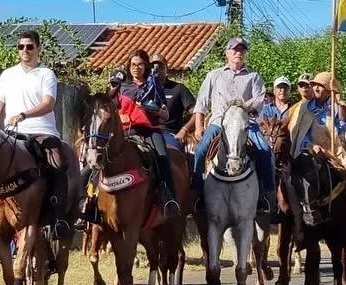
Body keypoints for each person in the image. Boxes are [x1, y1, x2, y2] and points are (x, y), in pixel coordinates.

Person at [0, 30, 73, 239]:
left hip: (41, 131)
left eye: (30, 46)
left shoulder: (46, 74)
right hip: (12, 134)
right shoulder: (8, 75)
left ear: (38, 49)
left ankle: (58, 218)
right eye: (21, 47)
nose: (25, 50)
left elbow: (48, 104)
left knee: (57, 166)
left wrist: (23, 114)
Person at [192, 35, 277, 217]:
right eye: (235, 50)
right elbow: (201, 103)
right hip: (218, 123)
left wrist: (247, 109)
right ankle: (197, 193)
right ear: (227, 53)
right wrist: (199, 127)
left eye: (242, 50)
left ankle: (265, 196)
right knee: (199, 152)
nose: (238, 53)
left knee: (265, 151)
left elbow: (260, 101)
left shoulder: (253, 76)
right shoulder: (214, 75)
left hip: (246, 124)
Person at [289, 72, 346, 239]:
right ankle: (298, 224)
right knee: (290, 181)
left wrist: (339, 101)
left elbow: (342, 130)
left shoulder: (338, 107)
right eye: (314, 85)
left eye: (320, 85)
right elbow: (301, 135)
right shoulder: (305, 108)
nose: (316, 88)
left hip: (337, 152)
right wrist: (312, 146)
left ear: (329, 89)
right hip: (311, 152)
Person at [116, 49, 181, 217]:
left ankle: (169, 199)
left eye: (140, 65)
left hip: (149, 130)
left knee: (162, 157)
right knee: (97, 160)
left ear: (146, 67)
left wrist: (155, 110)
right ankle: (88, 201)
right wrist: (121, 115)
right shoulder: (121, 88)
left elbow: (165, 114)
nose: (136, 68)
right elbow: (111, 111)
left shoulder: (154, 85)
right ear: (128, 66)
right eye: (133, 65)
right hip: (125, 131)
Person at [149, 53, 197, 140]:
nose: (156, 70)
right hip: (147, 132)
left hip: (169, 133)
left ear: (166, 69)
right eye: (152, 67)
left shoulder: (179, 89)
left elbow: (196, 113)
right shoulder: (143, 90)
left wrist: (184, 130)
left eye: (160, 67)